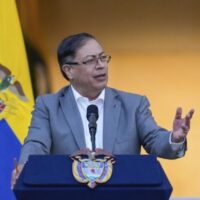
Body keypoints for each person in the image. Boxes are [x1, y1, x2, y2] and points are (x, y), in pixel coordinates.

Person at [11, 32, 194, 188]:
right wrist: (24, 167)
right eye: (91, 60)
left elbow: (155, 140)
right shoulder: (49, 106)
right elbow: (36, 143)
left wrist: (174, 139)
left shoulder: (133, 104)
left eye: (103, 57)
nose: (101, 65)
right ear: (69, 71)